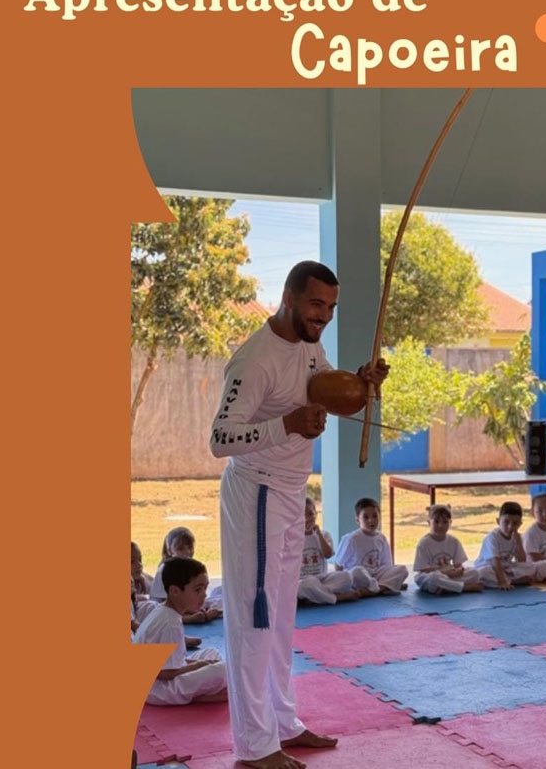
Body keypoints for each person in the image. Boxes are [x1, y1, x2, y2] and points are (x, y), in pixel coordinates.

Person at [208, 260, 389, 769]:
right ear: (288, 297)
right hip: (256, 493)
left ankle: (283, 723)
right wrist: (286, 424)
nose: (324, 316)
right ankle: (254, 746)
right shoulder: (254, 360)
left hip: (290, 493)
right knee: (254, 618)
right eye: (315, 304)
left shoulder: (309, 344)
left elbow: (321, 387)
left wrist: (359, 382)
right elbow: (220, 439)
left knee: (282, 618)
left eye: (331, 307)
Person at [132, 557, 228, 706]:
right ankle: (198, 698)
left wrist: (202, 663)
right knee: (224, 670)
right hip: (156, 689)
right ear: (175, 591)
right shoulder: (169, 623)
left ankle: (199, 691)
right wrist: (198, 665)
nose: (204, 595)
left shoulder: (168, 613)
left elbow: (176, 661)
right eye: (198, 589)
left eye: (205, 588)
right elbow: (164, 673)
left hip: (159, 679)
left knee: (212, 653)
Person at [474, 501, 546, 588]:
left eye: (515, 523)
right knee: (482, 573)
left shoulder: (516, 537)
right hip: (491, 568)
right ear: (498, 521)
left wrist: (519, 543)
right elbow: (495, 562)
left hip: (507, 569)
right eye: (506, 522)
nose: (510, 526)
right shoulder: (492, 537)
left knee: (542, 565)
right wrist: (503, 582)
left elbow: (522, 561)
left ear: (520, 524)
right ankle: (513, 581)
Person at [298, 496, 368, 604]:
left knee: (347, 577)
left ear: (316, 514)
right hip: (303, 580)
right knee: (304, 585)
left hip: (322, 579)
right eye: (303, 515)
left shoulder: (325, 534)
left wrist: (318, 534)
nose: (307, 518)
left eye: (310, 514)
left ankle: (313, 597)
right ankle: (337, 597)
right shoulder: (293, 537)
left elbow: (328, 554)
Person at [334, 498, 409, 594]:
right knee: (357, 571)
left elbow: (387, 564)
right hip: (359, 577)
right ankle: (384, 587)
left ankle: (374, 590)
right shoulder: (351, 539)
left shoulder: (381, 538)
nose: (371, 520)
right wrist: (340, 585)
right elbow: (338, 564)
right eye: (366, 517)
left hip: (376, 575)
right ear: (357, 520)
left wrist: (389, 575)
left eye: (375, 516)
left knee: (402, 569)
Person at [150, 527, 222, 624]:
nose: (187, 552)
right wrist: (193, 613)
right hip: (167, 609)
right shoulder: (163, 571)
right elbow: (165, 603)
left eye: (190, 547)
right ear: (170, 551)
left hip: (186, 605)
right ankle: (189, 618)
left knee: (219, 599)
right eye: (180, 549)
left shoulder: (190, 567)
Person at [412, 504, 483, 594]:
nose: (440, 526)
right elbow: (423, 569)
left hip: (449, 576)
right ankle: (463, 587)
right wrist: (444, 572)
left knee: (475, 573)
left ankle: (447, 588)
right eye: (436, 522)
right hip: (434, 576)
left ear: (450, 523)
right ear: (429, 522)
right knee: (433, 578)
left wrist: (458, 571)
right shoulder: (423, 543)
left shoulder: (454, 541)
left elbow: (458, 565)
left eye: (445, 522)